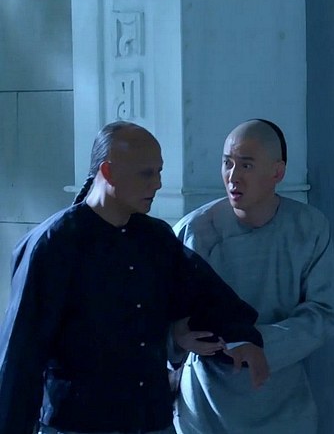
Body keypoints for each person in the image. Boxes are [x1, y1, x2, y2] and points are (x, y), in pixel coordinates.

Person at [0, 121, 269, 434]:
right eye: (146, 173)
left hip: (151, 421)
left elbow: (205, 294)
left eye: (159, 172)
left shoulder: (156, 239)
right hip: (79, 425)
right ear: (108, 172)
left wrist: (240, 338)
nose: (158, 184)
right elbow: (22, 354)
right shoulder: (53, 245)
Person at [171, 119, 334, 434]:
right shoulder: (192, 230)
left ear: (277, 172)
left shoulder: (308, 227)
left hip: (281, 400)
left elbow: (325, 311)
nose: (233, 176)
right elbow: (157, 313)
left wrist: (256, 343)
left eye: (246, 165)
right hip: (205, 405)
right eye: (227, 163)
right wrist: (177, 337)